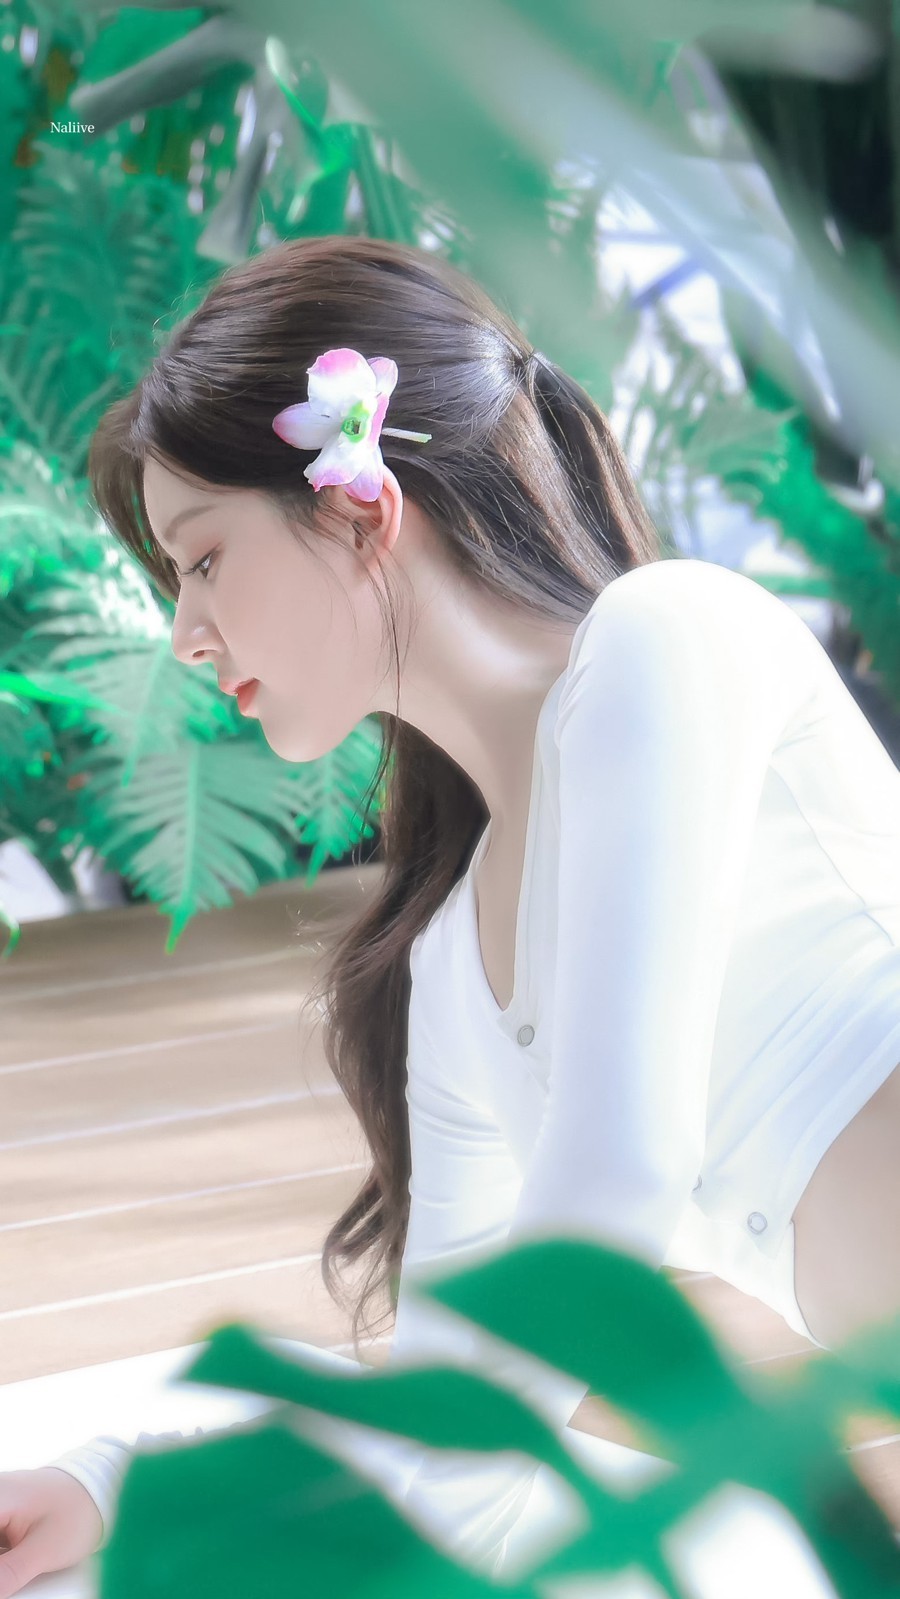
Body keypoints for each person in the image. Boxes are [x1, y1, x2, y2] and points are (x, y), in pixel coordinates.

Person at [3, 234, 900, 1595]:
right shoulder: (454, 970)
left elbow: (618, 1184)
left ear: (362, 511)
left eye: (202, 559)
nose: (184, 633)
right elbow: (456, 1391)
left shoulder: (669, 639)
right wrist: (116, 1473)